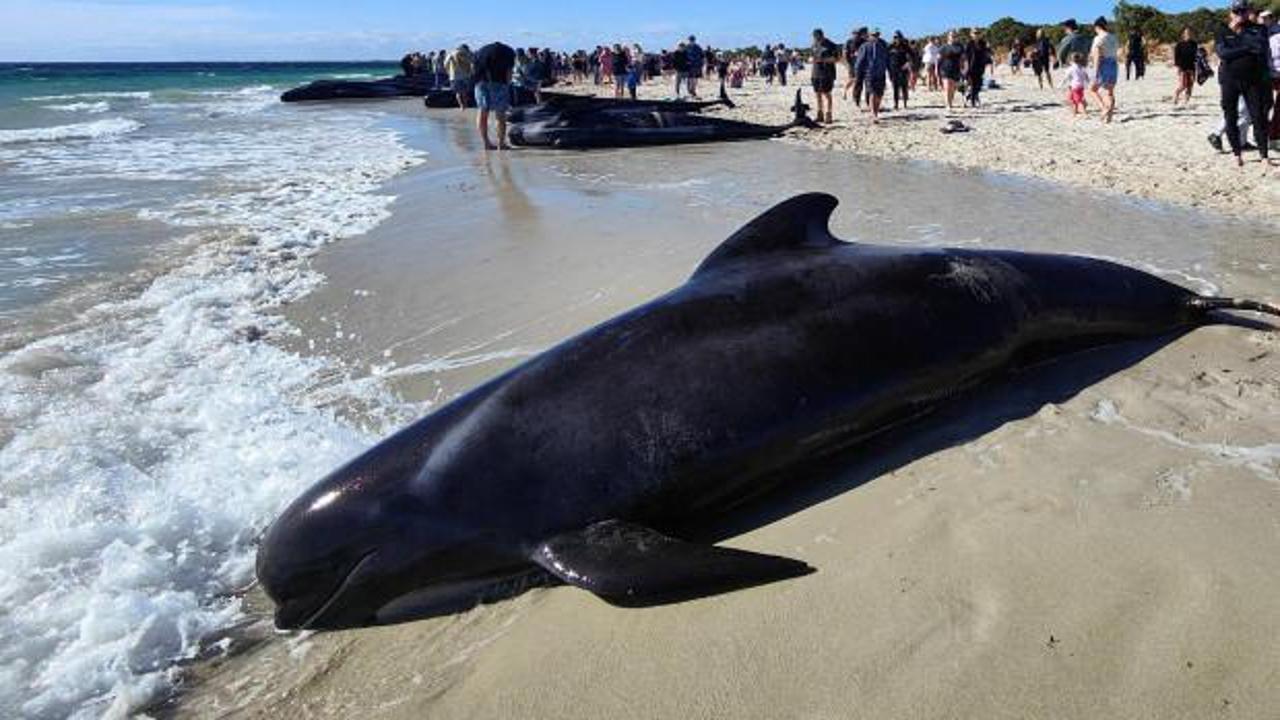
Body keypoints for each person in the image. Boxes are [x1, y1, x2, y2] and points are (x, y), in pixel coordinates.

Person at [1214, 1, 1272, 165]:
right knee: (1230, 116)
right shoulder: (1222, 31)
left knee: (1258, 117)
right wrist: (1246, 48)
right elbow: (1223, 53)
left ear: (1248, 12)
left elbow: (1260, 47)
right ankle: (1237, 154)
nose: (1241, 14)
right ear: (1231, 12)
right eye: (1237, 11)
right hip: (1229, 80)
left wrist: (1236, 47)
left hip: (1253, 80)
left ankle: (1264, 156)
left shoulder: (1258, 28)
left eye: (1243, 11)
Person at [472, 42, 515, 151]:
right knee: (500, 116)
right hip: (499, 83)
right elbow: (509, 73)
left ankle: (486, 143)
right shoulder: (509, 52)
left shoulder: (481, 52)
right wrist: (508, 84)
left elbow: (473, 68)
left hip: (480, 83)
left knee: (482, 113)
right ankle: (501, 144)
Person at [854, 29, 890, 121]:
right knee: (872, 93)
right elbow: (860, 61)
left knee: (880, 94)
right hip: (869, 73)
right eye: (873, 35)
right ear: (869, 36)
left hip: (881, 73)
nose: (875, 36)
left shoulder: (883, 46)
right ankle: (874, 114)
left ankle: (876, 110)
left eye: (877, 34)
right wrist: (858, 72)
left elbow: (887, 59)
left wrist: (890, 71)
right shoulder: (865, 46)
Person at [1089, 17, 1119, 123]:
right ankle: (1109, 117)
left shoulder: (1098, 38)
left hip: (1104, 64)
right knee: (1110, 92)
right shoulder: (1114, 37)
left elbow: (1097, 56)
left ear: (1097, 27)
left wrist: (1095, 71)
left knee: (1092, 89)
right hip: (1114, 64)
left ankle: (1103, 108)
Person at [811, 28, 839, 124]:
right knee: (817, 94)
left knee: (827, 94)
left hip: (827, 73)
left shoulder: (831, 45)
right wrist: (811, 59)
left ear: (822, 35)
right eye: (814, 37)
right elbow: (813, 56)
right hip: (815, 73)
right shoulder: (814, 44)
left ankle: (829, 114)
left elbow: (836, 59)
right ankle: (820, 114)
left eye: (817, 37)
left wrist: (823, 60)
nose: (815, 39)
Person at [1263, 9, 1280, 150]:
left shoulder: (1276, 33)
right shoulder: (1261, 34)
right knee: (1266, 106)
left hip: (1275, 74)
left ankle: (1273, 136)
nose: (1266, 20)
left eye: (1268, 17)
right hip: (1267, 75)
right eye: (1263, 18)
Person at [888, 32, 915, 110]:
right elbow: (886, 56)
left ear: (901, 37)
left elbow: (913, 56)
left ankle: (905, 103)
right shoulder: (890, 46)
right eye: (895, 37)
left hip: (903, 69)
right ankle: (896, 104)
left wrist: (908, 63)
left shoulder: (905, 46)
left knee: (904, 86)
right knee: (895, 87)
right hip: (893, 69)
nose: (896, 39)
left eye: (898, 37)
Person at [964, 32, 992, 107]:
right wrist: (966, 67)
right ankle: (972, 102)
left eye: (978, 33)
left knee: (979, 85)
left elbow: (988, 53)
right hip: (971, 66)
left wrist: (988, 48)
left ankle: (970, 97)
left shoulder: (983, 43)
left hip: (980, 67)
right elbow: (965, 56)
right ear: (971, 35)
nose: (976, 35)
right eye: (975, 33)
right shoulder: (969, 44)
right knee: (973, 84)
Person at [938, 31, 965, 110]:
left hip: (956, 69)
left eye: (955, 36)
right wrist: (937, 70)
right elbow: (938, 59)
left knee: (953, 88)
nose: (953, 37)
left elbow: (963, 58)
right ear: (948, 37)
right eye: (951, 36)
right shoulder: (944, 47)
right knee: (947, 87)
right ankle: (948, 105)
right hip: (945, 69)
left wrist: (964, 68)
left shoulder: (960, 47)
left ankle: (950, 102)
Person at [1173, 28, 1199, 105]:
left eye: (1190, 33)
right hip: (1183, 67)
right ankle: (1176, 95)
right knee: (1183, 85)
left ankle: (1186, 101)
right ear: (1183, 34)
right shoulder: (1179, 44)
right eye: (1187, 33)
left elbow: (1196, 55)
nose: (1188, 34)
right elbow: (1176, 57)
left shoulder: (1194, 44)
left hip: (1192, 67)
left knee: (1190, 85)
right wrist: (1178, 67)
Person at [444, 44, 474, 109]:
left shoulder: (450, 54)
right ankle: (465, 105)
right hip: (465, 75)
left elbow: (445, 64)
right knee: (465, 92)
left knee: (458, 92)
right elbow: (472, 62)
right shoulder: (467, 53)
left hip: (454, 76)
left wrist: (449, 72)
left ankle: (461, 105)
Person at [1061, 52, 1091, 116]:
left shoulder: (1071, 68)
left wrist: (1061, 84)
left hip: (1075, 86)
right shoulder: (1082, 68)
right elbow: (1086, 76)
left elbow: (1065, 77)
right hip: (1080, 86)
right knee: (1072, 98)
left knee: (1078, 100)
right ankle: (1074, 112)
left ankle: (1084, 113)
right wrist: (1088, 83)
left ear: (1071, 60)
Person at [843, 28, 868, 104]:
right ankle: (849, 94)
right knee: (854, 80)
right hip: (852, 65)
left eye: (858, 34)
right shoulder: (849, 42)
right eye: (855, 33)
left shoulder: (864, 42)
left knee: (860, 82)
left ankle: (858, 98)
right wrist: (848, 65)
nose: (856, 35)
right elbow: (845, 54)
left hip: (863, 66)